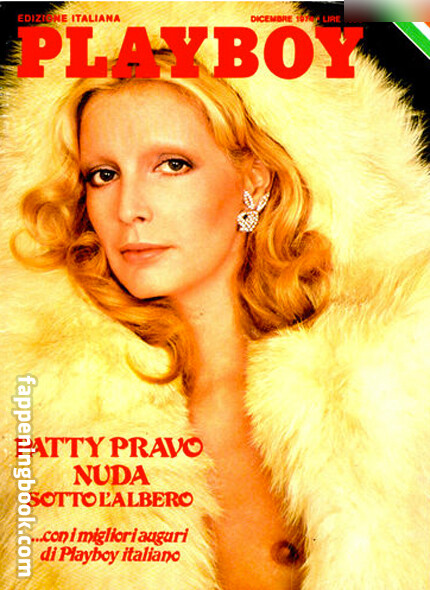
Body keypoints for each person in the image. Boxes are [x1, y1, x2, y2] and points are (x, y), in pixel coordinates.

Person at [1, 3, 430, 590]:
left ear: (253, 181)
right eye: (104, 174)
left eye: (171, 165)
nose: (129, 209)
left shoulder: (399, 370)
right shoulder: (47, 409)